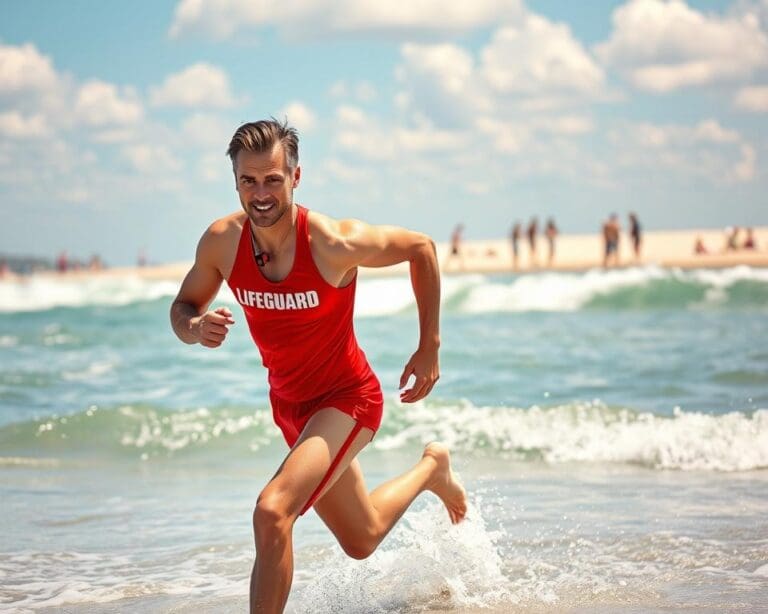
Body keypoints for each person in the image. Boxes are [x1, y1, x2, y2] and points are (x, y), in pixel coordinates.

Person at [169, 119, 467, 614]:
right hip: (291, 409)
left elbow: (421, 248)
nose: (260, 194)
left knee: (272, 512)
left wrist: (429, 346)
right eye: (248, 181)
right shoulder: (222, 242)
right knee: (362, 537)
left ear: (295, 176)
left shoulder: (330, 242)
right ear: (235, 181)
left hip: (347, 400)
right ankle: (432, 469)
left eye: (272, 179)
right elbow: (182, 308)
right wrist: (195, 327)